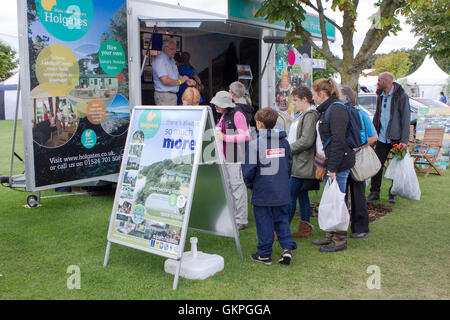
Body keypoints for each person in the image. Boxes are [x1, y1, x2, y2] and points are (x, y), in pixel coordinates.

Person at [241, 107, 297, 265]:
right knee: (282, 219)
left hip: (263, 191)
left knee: (264, 222)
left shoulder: (254, 145)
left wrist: (251, 185)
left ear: (259, 124)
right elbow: (289, 165)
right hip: (281, 189)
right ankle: (287, 248)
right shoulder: (284, 142)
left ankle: (264, 254)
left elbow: (248, 171)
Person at [311, 78, 355, 253]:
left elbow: (338, 141)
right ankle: (330, 234)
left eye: (314, 95)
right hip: (333, 161)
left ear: (322, 94)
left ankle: (339, 240)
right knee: (331, 199)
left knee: (338, 201)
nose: (313, 98)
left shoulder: (335, 109)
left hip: (339, 162)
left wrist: (334, 169)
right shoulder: (328, 108)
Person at [340, 85, 378, 239]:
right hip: (344, 157)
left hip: (357, 159)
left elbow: (373, 137)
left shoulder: (360, 113)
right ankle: (340, 226)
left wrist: (357, 147)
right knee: (341, 193)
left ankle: (361, 227)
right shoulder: (343, 113)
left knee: (357, 192)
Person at [367, 72, 411, 204]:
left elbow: (405, 118)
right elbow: (377, 115)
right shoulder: (380, 95)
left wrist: (404, 140)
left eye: (380, 80)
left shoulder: (401, 96)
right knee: (377, 165)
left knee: (397, 166)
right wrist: (373, 134)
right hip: (381, 137)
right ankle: (375, 192)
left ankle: (393, 192)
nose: (378, 82)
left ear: (387, 81)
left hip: (396, 138)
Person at [211, 91, 250, 231]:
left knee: (237, 187)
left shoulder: (237, 114)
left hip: (235, 156)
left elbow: (245, 136)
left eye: (217, 104)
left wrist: (224, 137)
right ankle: (234, 216)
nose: (215, 106)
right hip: (226, 156)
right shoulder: (224, 115)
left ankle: (241, 219)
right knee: (229, 187)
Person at [287, 86, 319, 238]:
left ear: (305, 99)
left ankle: (283, 228)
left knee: (290, 194)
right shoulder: (304, 114)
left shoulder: (310, 114)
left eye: (295, 100)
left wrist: (287, 149)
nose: (294, 103)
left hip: (302, 161)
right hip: (299, 159)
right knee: (301, 194)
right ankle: (305, 227)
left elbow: (307, 140)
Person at [152, 39, 196, 105]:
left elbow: (176, 75)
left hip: (172, 95)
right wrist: (180, 82)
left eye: (175, 49)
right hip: (165, 96)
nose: (175, 51)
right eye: (172, 49)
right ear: (165, 49)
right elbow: (165, 80)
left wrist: (186, 80)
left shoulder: (171, 60)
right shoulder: (160, 60)